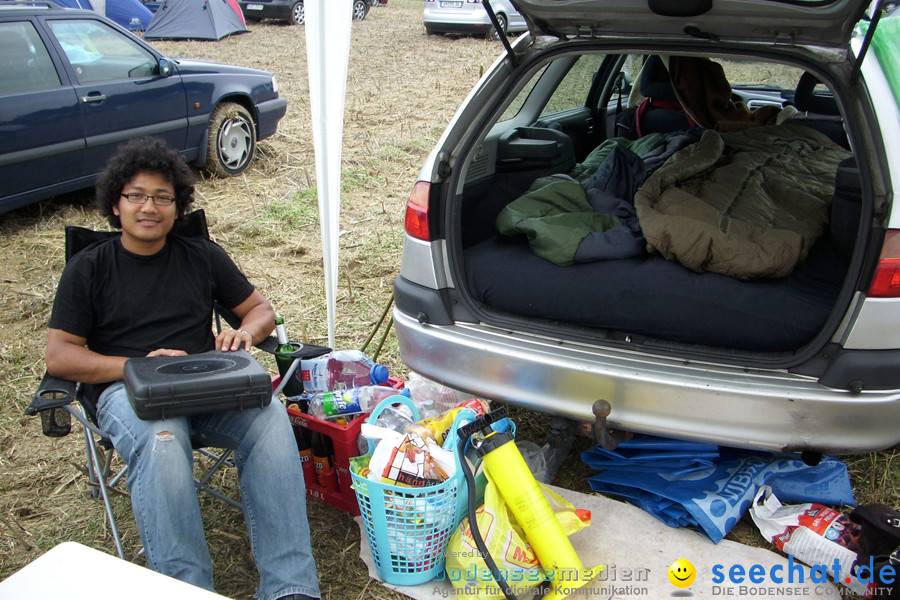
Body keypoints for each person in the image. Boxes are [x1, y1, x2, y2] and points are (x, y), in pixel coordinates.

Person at [44, 137, 319, 600]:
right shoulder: (90, 268)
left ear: (177, 205)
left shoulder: (201, 255)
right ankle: (187, 591)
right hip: (127, 392)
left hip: (206, 386)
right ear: (116, 204)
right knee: (162, 438)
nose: (149, 207)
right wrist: (135, 366)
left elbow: (260, 310)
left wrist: (246, 334)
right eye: (136, 196)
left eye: (162, 197)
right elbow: (61, 356)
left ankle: (290, 587)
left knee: (271, 417)